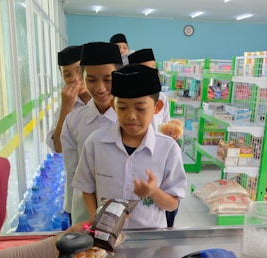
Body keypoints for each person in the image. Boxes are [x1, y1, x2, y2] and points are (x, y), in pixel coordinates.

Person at [72, 64, 187, 229]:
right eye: (122, 107)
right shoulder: (96, 143)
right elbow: (87, 189)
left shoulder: (168, 149)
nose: (131, 116)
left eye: (140, 108)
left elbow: (172, 205)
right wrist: (96, 220)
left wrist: (153, 192)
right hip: (107, 236)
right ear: (113, 105)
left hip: (149, 240)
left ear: (157, 107)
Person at [60, 42, 123, 225]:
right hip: (84, 213)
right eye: (92, 79)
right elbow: (72, 171)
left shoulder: (131, 121)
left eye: (108, 79)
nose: (100, 88)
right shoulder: (73, 121)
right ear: (82, 77)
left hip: (124, 212)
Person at [128, 48, 180, 227]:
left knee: (163, 210)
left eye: (153, 69)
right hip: (139, 155)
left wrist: (171, 134)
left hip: (158, 157)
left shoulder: (162, 99)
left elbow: (164, 125)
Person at [47, 45, 91, 153]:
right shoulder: (66, 105)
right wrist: (66, 108)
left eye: (79, 71)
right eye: (67, 75)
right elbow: (58, 147)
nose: (74, 78)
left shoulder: (104, 97)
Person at [127, 48, 171, 131]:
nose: (152, 73)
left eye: (154, 68)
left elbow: (166, 123)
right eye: (145, 70)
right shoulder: (127, 98)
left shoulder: (162, 97)